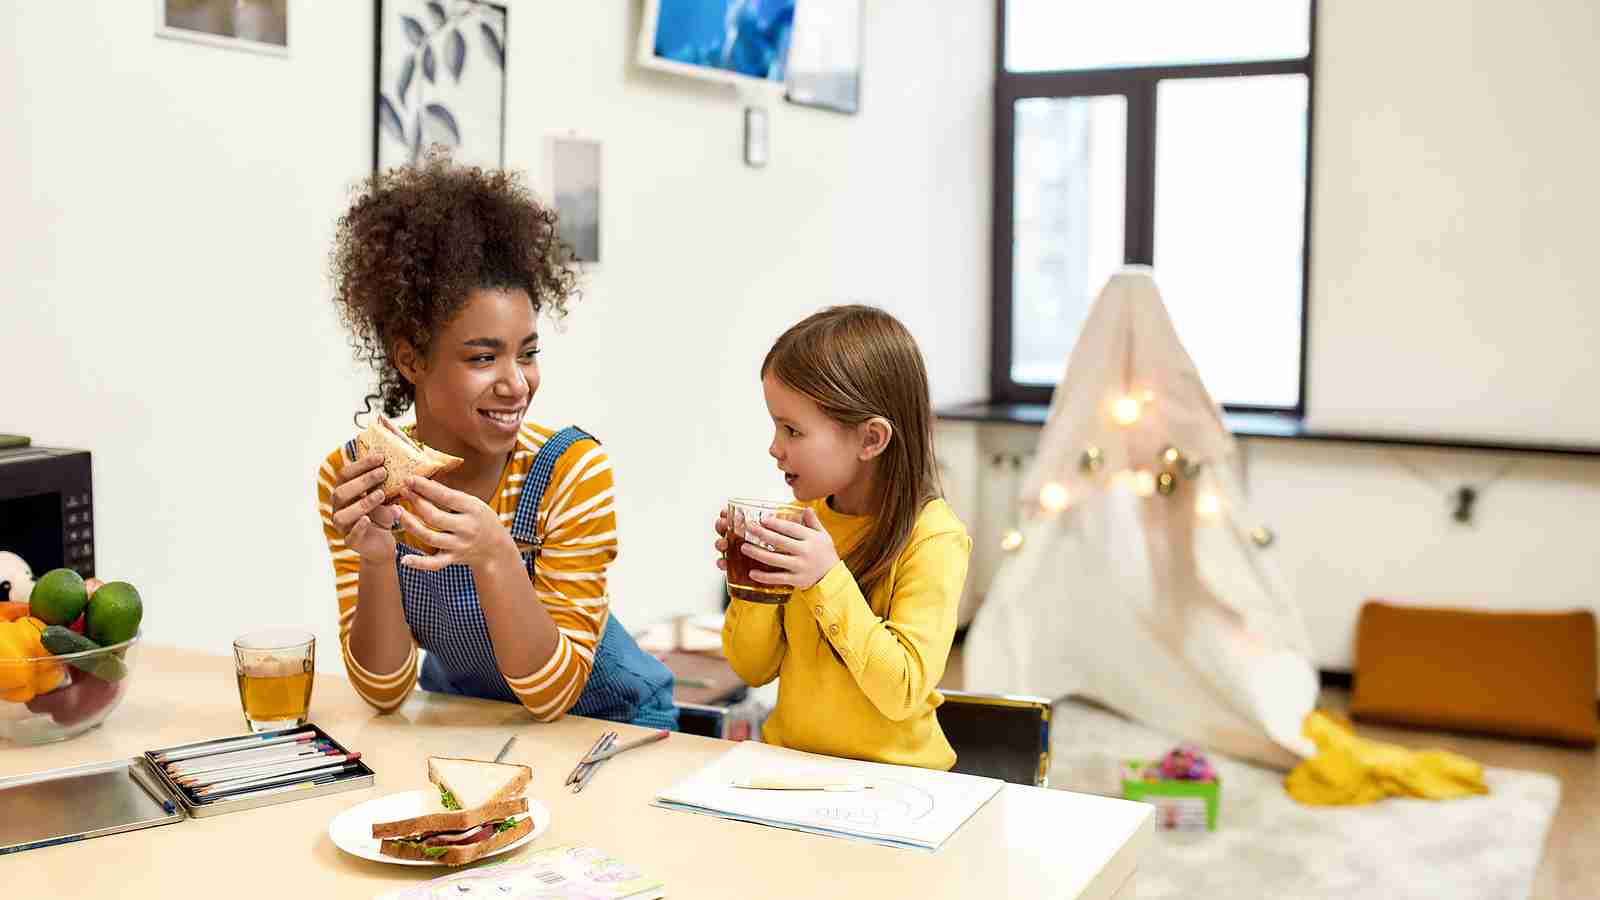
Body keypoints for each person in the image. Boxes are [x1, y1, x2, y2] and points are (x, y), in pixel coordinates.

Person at [317, 150, 675, 729]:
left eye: (527, 353)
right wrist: (377, 558)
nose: (516, 383)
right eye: (484, 357)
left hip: (610, 727)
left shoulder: (571, 473)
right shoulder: (357, 477)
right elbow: (383, 692)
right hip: (474, 721)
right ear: (410, 358)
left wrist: (496, 554)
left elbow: (553, 696)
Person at [715, 305, 971, 769]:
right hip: (791, 770)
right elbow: (752, 668)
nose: (774, 448)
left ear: (870, 439)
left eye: (792, 430)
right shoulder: (800, 522)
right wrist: (750, 582)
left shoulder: (935, 539)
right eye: (775, 425)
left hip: (897, 782)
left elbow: (904, 691)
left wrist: (824, 578)